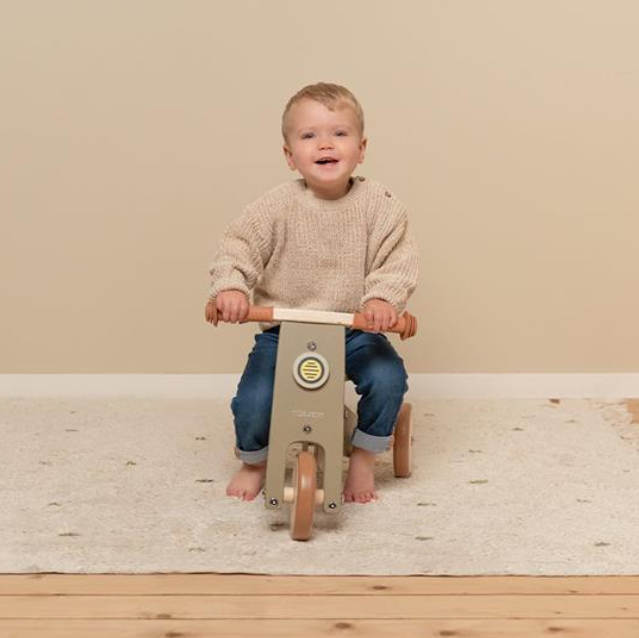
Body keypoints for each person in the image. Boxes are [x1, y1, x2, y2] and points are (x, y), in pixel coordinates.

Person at [206, 82, 419, 504]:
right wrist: (231, 288)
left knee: (388, 377)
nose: (325, 144)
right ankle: (254, 461)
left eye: (339, 133)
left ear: (361, 148)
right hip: (285, 330)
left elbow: (396, 260)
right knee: (255, 397)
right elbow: (238, 247)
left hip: (354, 329)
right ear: (290, 155)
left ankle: (362, 454)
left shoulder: (382, 205)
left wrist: (381, 301)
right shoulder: (275, 207)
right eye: (309, 136)